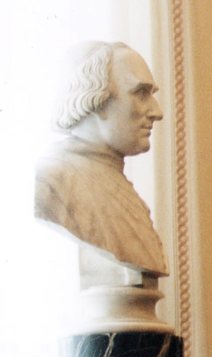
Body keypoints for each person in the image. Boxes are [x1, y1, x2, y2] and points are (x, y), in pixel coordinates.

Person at [35, 41, 167, 288]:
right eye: (141, 93)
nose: (157, 112)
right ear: (97, 100)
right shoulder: (50, 182)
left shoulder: (122, 187)